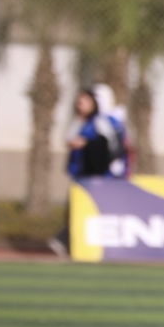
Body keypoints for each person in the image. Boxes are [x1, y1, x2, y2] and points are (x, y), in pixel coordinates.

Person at [48, 90, 117, 258]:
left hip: (94, 175)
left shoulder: (100, 122)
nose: (81, 106)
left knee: (88, 209)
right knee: (74, 208)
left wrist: (87, 144)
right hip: (79, 173)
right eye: (79, 103)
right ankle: (70, 243)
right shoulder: (78, 121)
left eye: (84, 102)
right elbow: (67, 138)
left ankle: (64, 241)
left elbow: (111, 145)